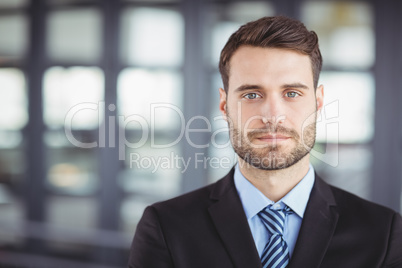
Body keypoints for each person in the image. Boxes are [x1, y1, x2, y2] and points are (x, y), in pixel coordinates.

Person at [128, 16, 402, 268]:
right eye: (251, 95)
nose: (273, 115)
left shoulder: (383, 233)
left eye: (292, 93)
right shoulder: (166, 227)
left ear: (318, 102)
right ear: (224, 104)